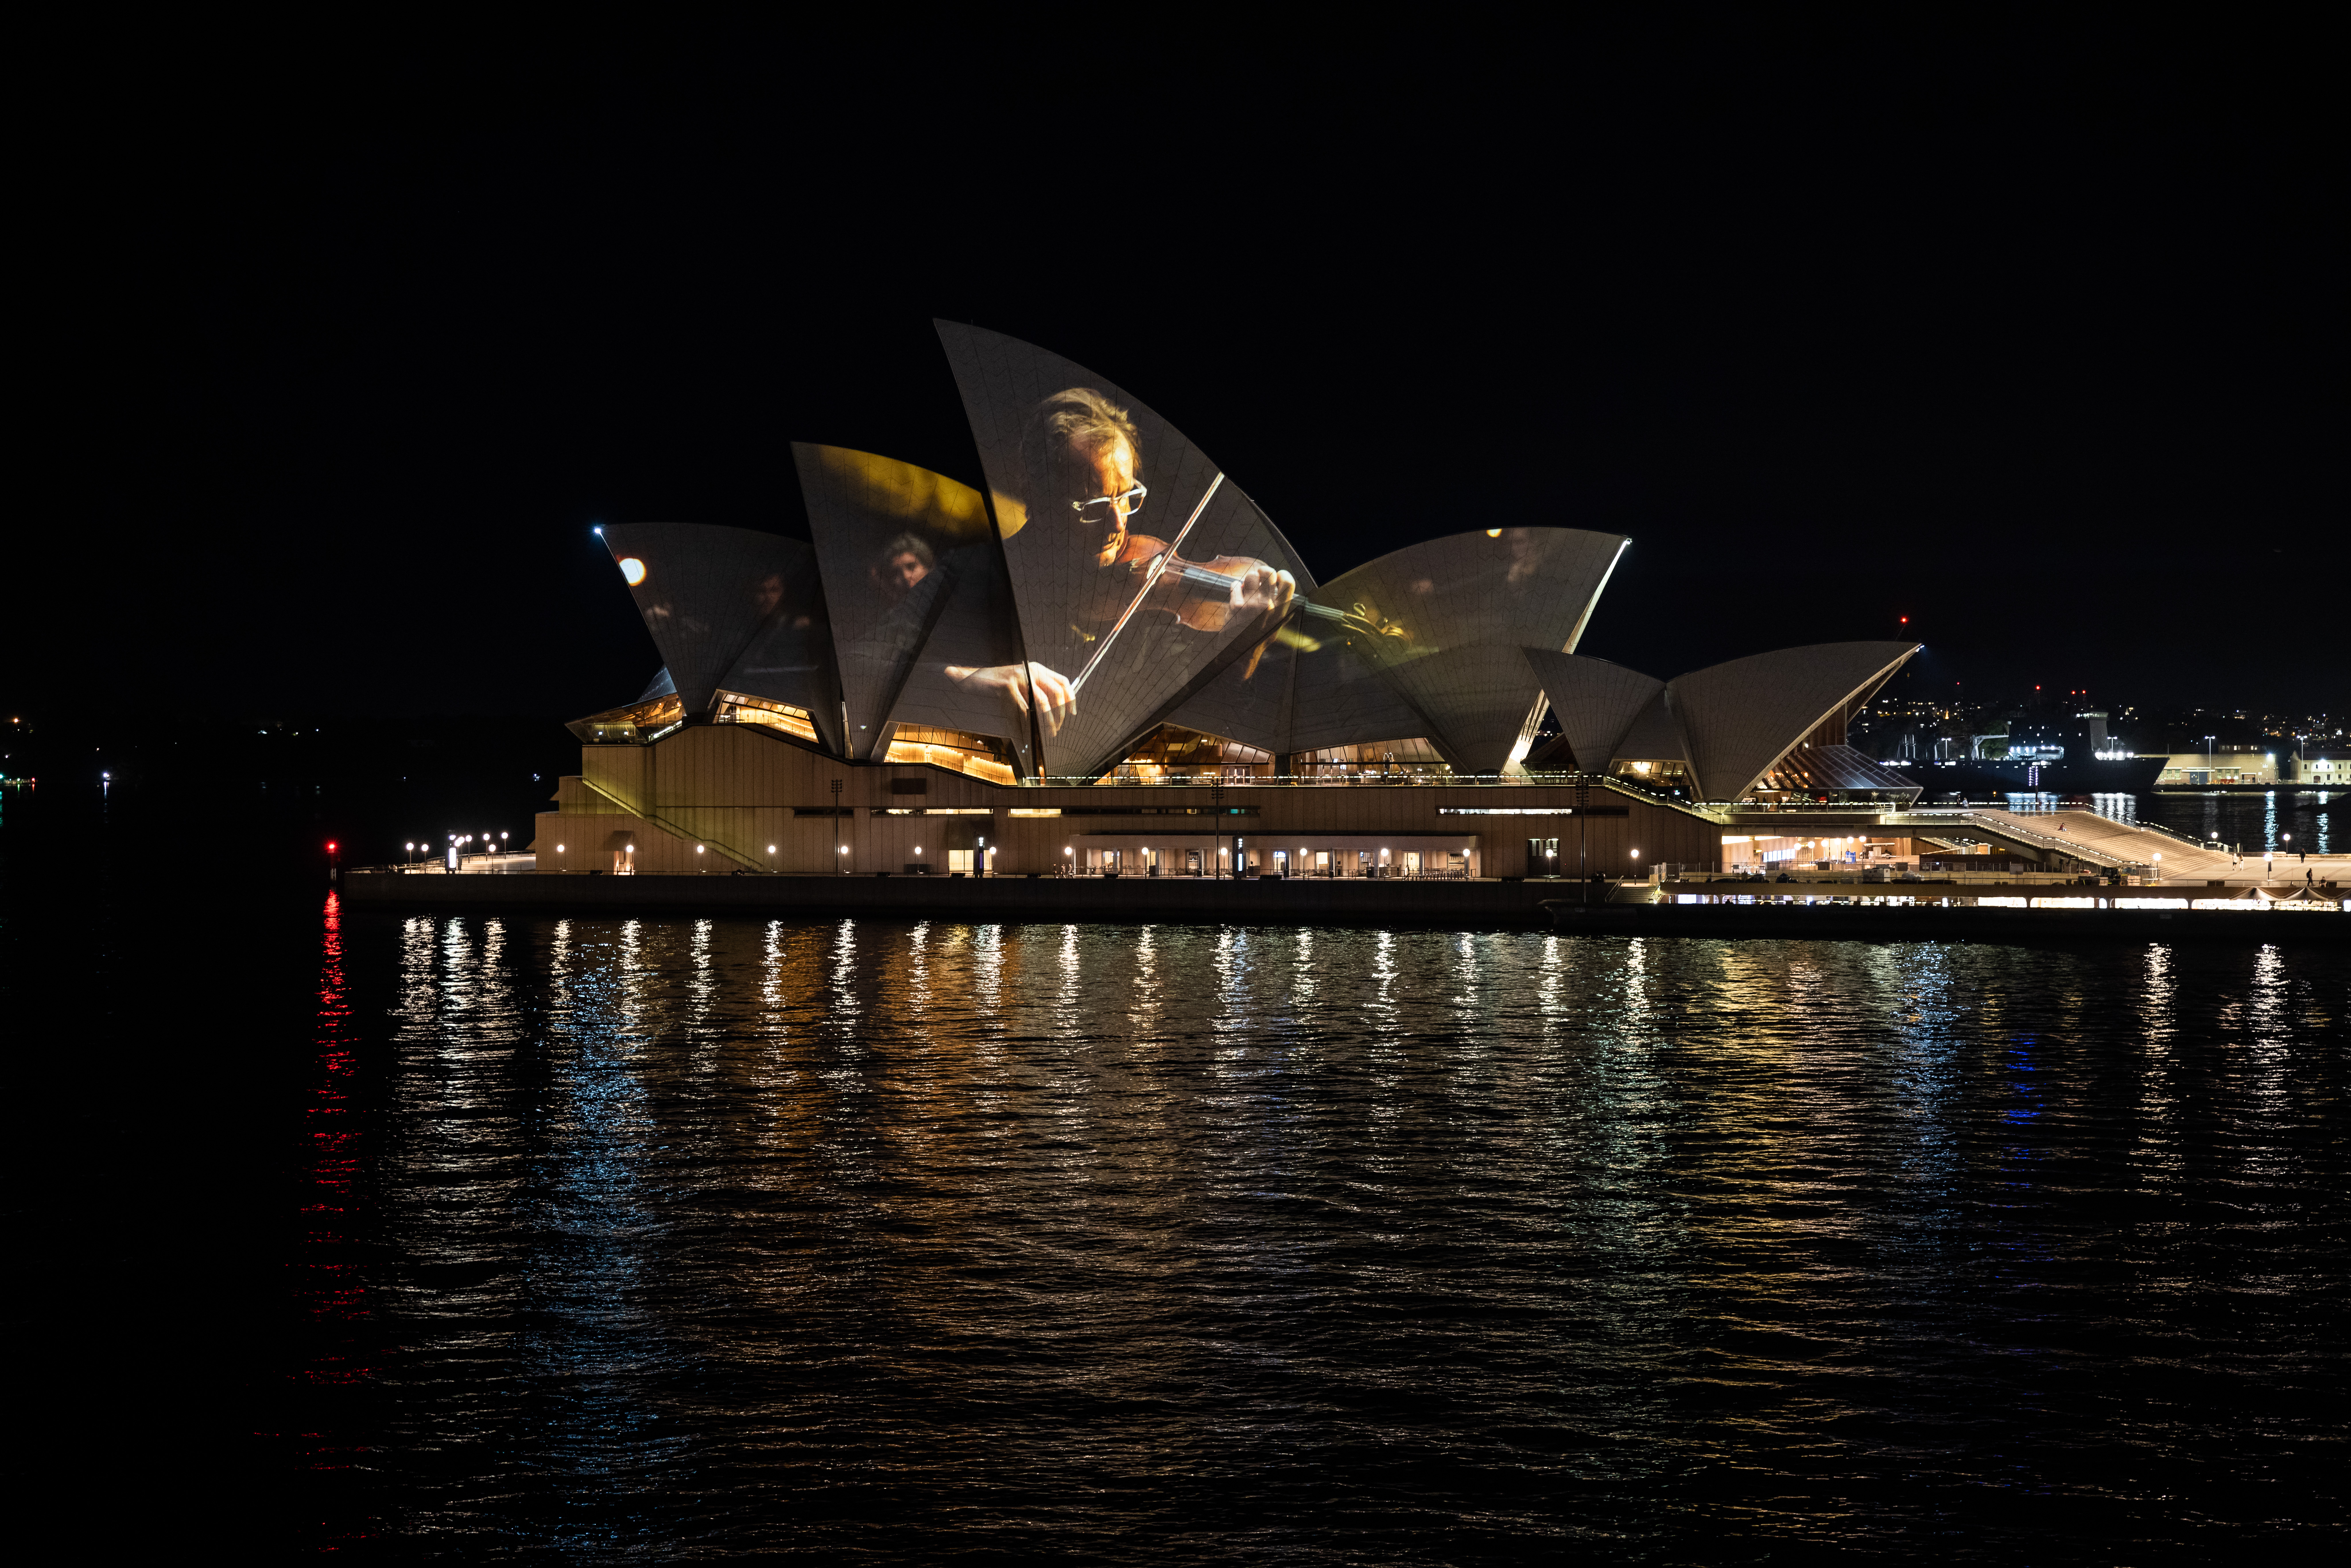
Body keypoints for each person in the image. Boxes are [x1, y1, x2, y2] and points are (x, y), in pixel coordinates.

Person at [952, 388, 1295, 740]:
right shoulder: (973, 576)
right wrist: (963, 681)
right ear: (1038, 496)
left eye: (1128, 498)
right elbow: (894, 665)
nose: (1118, 525)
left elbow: (1186, 739)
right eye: (1094, 507)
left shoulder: (1148, 609)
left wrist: (1242, 654)